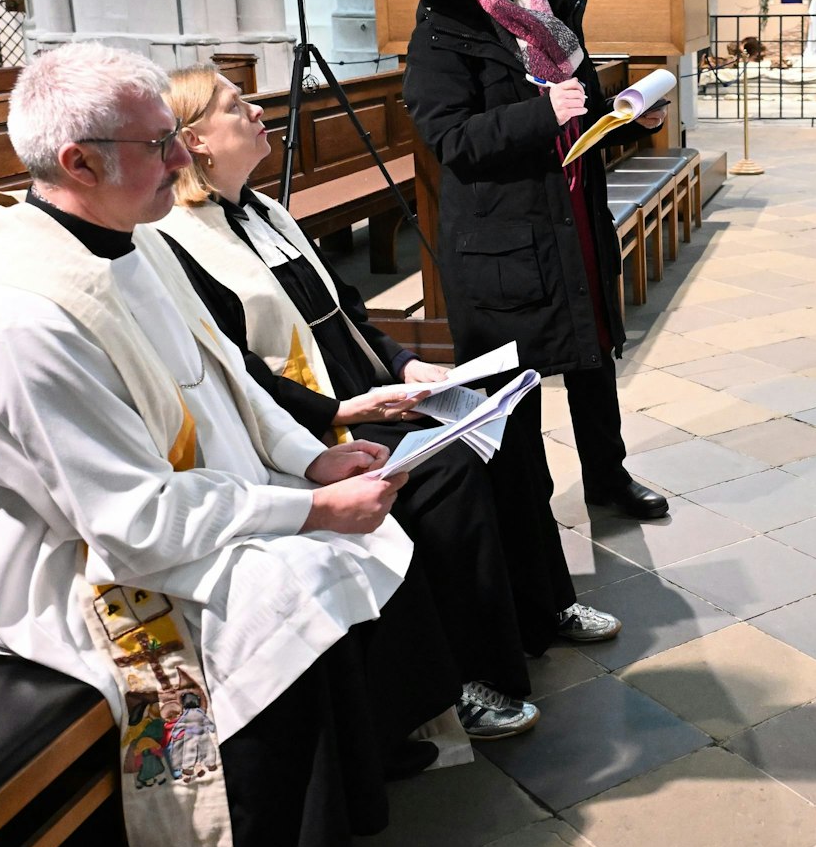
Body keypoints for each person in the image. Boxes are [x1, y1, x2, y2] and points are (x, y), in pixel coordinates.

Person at [0, 42, 454, 847]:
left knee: (323, 559)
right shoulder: (27, 317)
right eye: (159, 144)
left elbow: (227, 372)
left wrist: (310, 464)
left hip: (164, 510)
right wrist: (305, 509)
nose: (180, 157)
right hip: (57, 567)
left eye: (175, 135)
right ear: (77, 161)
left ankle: (350, 800)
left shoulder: (134, 237)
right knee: (272, 600)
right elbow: (131, 522)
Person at [150, 64, 548, 739]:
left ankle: (543, 613)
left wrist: (406, 363)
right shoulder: (177, 240)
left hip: (367, 394)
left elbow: (347, 310)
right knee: (445, 476)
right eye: (234, 105)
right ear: (197, 141)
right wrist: (342, 412)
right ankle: (461, 686)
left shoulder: (267, 210)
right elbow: (236, 371)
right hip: (304, 422)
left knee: (504, 423)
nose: (254, 110)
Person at [402, 0, 667, 647]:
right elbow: (452, 140)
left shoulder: (552, 12)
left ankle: (609, 475)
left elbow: (576, 120)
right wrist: (540, 114)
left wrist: (623, 120)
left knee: (592, 356)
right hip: (503, 242)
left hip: (569, 218)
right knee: (515, 391)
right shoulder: (446, 32)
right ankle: (532, 523)